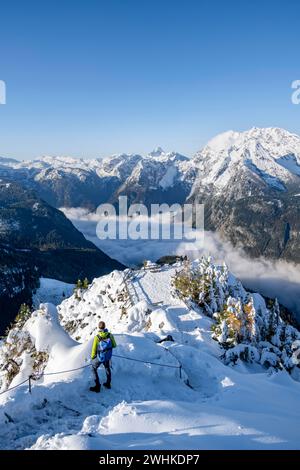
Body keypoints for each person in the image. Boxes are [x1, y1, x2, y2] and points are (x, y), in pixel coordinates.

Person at [90, 321, 117, 393]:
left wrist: (93, 357)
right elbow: (114, 345)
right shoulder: (110, 335)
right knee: (107, 368)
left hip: (100, 357)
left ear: (99, 327)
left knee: (93, 368)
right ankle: (108, 384)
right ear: (105, 327)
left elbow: (94, 349)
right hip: (107, 356)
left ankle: (97, 386)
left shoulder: (97, 337)